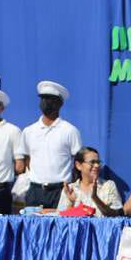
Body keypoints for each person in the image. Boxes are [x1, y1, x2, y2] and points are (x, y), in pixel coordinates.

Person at [22, 80, 82, 209]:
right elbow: (27, 159)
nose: (46, 103)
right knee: (33, 227)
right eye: (43, 99)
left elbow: (78, 162)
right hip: (35, 190)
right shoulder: (29, 131)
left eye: (51, 99)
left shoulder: (70, 130)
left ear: (60, 103)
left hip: (60, 190)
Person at [56, 147, 122, 217]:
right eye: (92, 162)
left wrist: (95, 198)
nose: (97, 165)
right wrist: (71, 203)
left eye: (98, 162)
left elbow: (116, 215)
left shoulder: (109, 186)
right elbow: (61, 221)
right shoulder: (70, 189)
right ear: (78, 165)